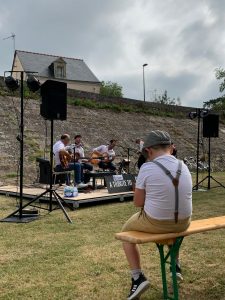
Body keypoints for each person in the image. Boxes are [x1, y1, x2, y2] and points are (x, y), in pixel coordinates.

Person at [121, 130, 192, 300]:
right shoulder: (184, 165)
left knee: (125, 234)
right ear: (171, 148)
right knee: (170, 223)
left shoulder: (147, 167)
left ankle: (138, 278)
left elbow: (138, 203)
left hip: (157, 222)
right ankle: (175, 265)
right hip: (184, 222)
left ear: (150, 150)